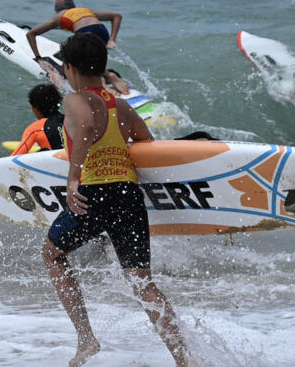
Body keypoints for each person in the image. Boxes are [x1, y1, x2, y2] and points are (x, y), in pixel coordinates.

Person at [42, 33, 194, 367]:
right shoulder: (120, 104)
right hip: (128, 194)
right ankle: (184, 359)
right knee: (142, 281)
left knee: (52, 255)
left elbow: (82, 126)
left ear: (69, 69)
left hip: (95, 191)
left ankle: (86, 339)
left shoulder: (75, 99)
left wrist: (72, 177)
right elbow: (146, 142)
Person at [25, 0, 129, 93]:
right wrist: (111, 40)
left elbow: (30, 34)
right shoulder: (85, 11)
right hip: (102, 32)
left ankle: (101, 82)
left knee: (67, 69)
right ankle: (109, 75)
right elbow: (117, 16)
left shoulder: (59, 17)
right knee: (93, 59)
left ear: (57, 10)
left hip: (85, 33)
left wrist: (39, 59)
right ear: (73, 6)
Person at [10, 83, 65, 156]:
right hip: (78, 163)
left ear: (35, 108)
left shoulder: (36, 128)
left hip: (55, 165)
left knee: (42, 151)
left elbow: (16, 155)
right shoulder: (70, 119)